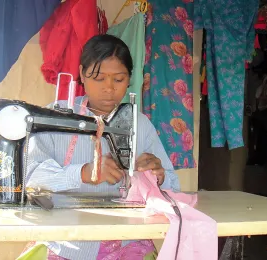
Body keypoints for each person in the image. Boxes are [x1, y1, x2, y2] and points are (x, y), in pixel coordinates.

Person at [18, 34, 180, 260]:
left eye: (119, 79)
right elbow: (29, 177)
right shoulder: (55, 116)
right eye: (99, 78)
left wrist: (158, 176)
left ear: (129, 79)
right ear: (83, 74)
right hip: (64, 239)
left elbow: (174, 185)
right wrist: (83, 173)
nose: (109, 88)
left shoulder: (140, 124)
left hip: (127, 240)